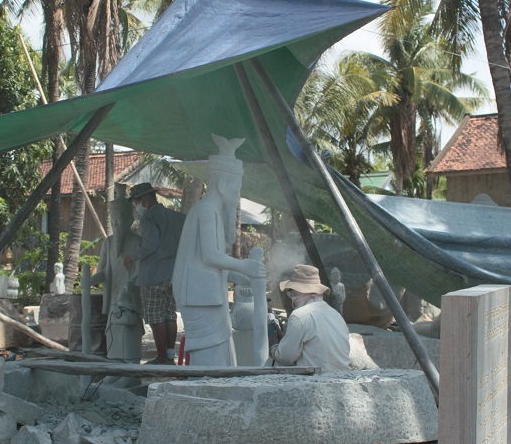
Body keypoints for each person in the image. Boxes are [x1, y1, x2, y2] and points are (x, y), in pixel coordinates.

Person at [173, 134, 266, 367]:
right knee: (210, 351)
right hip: (199, 296)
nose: (237, 195)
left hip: (206, 294)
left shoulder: (209, 211)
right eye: (236, 188)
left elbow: (212, 261)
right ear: (224, 184)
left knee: (221, 347)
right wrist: (244, 265)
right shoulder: (206, 211)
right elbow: (210, 256)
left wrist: (238, 273)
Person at [123, 182, 185, 364]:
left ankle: (160, 357)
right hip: (173, 274)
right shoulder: (176, 217)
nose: (135, 207)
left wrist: (131, 257)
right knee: (169, 314)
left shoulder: (149, 217)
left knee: (155, 315)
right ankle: (169, 356)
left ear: (146, 199)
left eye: (136, 202)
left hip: (154, 274)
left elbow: (150, 243)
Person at [91, 186, 144, 363]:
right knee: (114, 341)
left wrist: (129, 287)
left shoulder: (137, 241)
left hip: (131, 300)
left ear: (129, 219)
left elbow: (140, 272)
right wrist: (89, 281)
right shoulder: (108, 243)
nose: (117, 223)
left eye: (120, 219)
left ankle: (131, 369)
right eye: (114, 220)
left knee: (130, 337)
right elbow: (102, 272)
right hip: (114, 301)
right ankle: (116, 368)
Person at [270, 264, 350, 371]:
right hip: (339, 380)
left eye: (294, 294)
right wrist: (284, 339)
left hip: (315, 383)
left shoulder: (299, 316)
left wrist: (273, 344)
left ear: (312, 293)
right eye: (291, 294)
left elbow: (285, 358)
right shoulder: (336, 315)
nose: (292, 299)